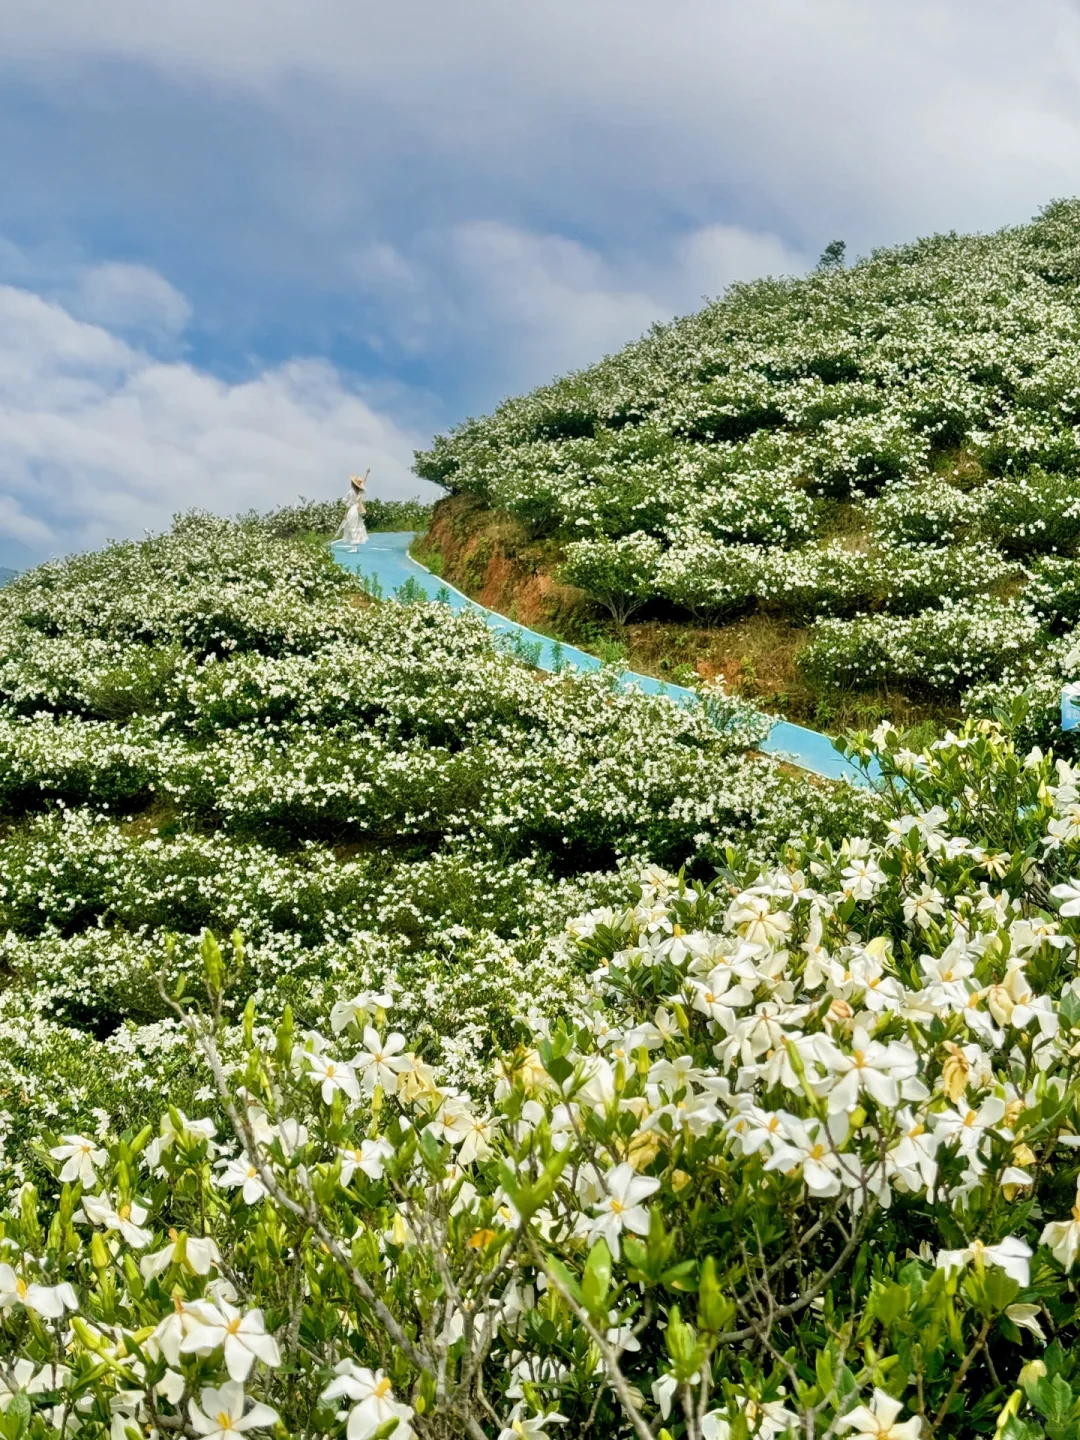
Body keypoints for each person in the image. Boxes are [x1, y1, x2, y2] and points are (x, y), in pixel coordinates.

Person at [337, 470, 369, 550]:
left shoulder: (351, 492)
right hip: (358, 510)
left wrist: (345, 513)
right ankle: (355, 546)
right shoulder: (361, 492)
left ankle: (354, 547)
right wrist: (366, 474)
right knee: (356, 527)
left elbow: (347, 504)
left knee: (352, 527)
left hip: (353, 510)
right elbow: (363, 483)